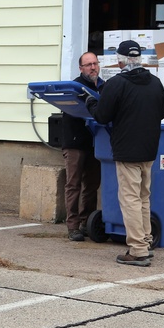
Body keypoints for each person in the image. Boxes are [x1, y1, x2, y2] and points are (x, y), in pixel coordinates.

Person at [88, 40, 164, 267]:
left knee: (130, 199)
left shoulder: (117, 83)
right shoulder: (155, 82)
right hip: (149, 148)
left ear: (120, 60)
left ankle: (138, 250)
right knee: (143, 197)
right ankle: (146, 242)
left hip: (127, 149)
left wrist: (91, 101)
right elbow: (161, 112)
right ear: (140, 58)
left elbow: (102, 116)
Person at [60, 52, 105, 241]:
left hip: (96, 142)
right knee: (73, 184)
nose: (93, 67)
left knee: (92, 185)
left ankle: (87, 222)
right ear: (81, 68)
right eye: (88, 65)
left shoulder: (104, 86)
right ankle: (73, 226)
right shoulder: (74, 87)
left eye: (95, 63)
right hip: (75, 142)